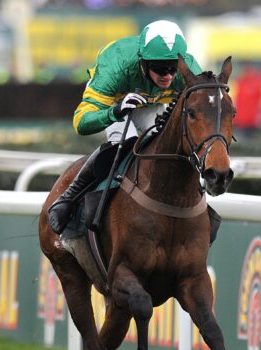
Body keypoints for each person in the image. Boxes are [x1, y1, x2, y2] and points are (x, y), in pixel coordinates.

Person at [47, 20, 203, 234]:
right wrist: (115, 112)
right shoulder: (117, 64)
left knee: (169, 144)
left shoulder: (189, 69)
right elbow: (80, 122)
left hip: (153, 102)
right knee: (125, 143)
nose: (167, 75)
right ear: (144, 62)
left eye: (173, 68)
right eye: (159, 68)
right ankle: (67, 199)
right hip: (116, 101)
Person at [233, 64, 261, 139]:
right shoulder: (241, 81)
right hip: (242, 119)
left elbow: (260, 101)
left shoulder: (256, 82)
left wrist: (260, 115)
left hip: (251, 118)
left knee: (250, 138)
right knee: (244, 137)